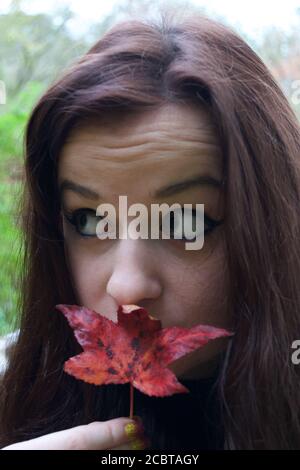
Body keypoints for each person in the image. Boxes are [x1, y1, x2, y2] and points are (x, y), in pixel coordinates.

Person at [1, 11, 300, 450]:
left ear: (271, 226)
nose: (127, 285)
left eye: (186, 222)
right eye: (88, 220)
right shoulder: (12, 393)